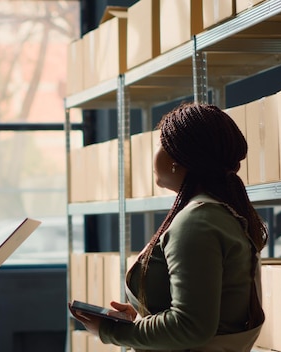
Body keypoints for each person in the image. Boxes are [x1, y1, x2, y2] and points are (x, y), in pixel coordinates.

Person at [69, 103, 267, 352]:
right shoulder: (216, 214)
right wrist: (145, 318)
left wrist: (113, 331)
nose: (154, 152)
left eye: (159, 142)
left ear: (178, 157)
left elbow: (190, 326)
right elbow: (205, 315)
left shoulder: (197, 222)